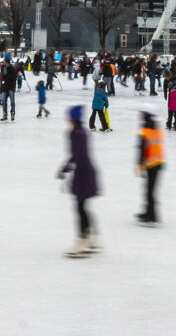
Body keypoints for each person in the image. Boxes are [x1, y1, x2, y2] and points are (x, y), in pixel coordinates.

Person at [57, 106, 101, 257]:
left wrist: (70, 172)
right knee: (83, 207)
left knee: (80, 208)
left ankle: (83, 241)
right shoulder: (81, 132)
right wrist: (65, 169)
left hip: (84, 174)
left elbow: (79, 157)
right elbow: (76, 155)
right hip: (86, 172)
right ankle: (91, 238)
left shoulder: (76, 134)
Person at [135, 109, 165, 225]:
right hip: (159, 163)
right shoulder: (156, 128)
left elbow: (141, 149)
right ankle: (149, 213)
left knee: (149, 191)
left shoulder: (145, 130)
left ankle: (152, 216)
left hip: (151, 164)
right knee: (150, 190)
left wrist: (139, 165)